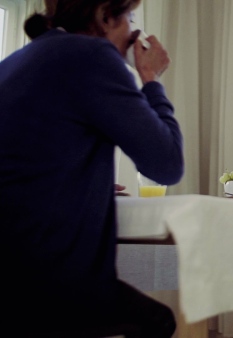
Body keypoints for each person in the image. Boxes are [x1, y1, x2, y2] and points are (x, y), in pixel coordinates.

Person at [0, 0, 184, 336]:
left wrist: (80, 179)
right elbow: (167, 164)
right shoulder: (92, 55)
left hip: (9, 271)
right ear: (103, 15)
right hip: (45, 278)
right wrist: (151, 78)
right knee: (157, 321)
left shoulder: (16, 61)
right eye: (129, 17)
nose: (134, 31)